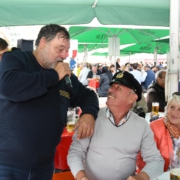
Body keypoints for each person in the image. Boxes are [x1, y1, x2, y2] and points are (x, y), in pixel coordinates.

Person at [0, 24, 99, 180]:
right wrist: (53, 76)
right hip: (7, 164)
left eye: (66, 50)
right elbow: (8, 87)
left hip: (44, 165)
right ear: (43, 43)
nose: (65, 55)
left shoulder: (65, 76)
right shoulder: (17, 59)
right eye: (60, 49)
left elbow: (88, 95)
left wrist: (89, 113)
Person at [68, 71, 164, 180]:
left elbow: (156, 160)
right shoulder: (92, 119)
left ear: (132, 98)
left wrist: (140, 178)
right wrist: (82, 177)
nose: (110, 90)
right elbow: (75, 152)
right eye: (111, 86)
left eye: (118, 88)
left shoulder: (141, 125)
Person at [137, 92, 180, 172]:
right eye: (172, 107)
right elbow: (140, 159)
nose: (174, 112)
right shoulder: (155, 127)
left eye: (179, 109)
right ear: (167, 108)